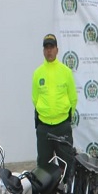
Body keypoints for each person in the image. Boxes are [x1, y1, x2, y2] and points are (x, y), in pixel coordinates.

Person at [32, 33, 78, 171]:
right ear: (43, 51)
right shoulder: (38, 73)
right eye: (46, 48)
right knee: (43, 168)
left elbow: (73, 98)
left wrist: (64, 117)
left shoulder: (66, 72)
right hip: (44, 128)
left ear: (57, 50)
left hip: (62, 127)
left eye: (51, 47)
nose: (49, 51)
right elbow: (35, 98)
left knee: (67, 165)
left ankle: (67, 186)